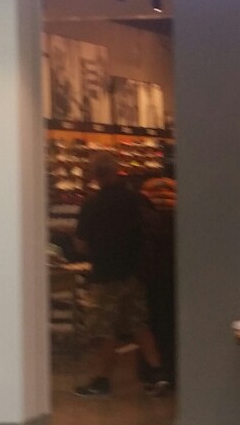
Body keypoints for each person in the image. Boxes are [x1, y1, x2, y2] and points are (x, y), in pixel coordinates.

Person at [73, 153, 162, 397]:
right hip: (135, 272)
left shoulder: (92, 205)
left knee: (105, 329)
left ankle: (100, 380)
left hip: (105, 274)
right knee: (140, 325)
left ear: (94, 175)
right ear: (117, 171)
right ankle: (158, 375)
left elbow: (80, 244)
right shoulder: (137, 200)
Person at [140, 173, 177, 394]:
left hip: (150, 278)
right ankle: (170, 371)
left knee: (151, 325)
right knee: (170, 325)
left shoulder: (144, 217)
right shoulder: (178, 218)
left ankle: (154, 372)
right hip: (173, 278)